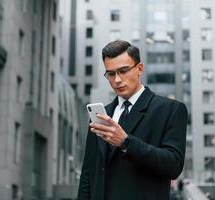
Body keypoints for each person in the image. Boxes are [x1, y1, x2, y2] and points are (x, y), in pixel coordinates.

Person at [77, 40, 188, 200]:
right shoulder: (103, 114)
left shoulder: (170, 110)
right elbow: (88, 172)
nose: (117, 80)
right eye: (111, 73)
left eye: (123, 71)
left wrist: (126, 142)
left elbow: (174, 166)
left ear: (139, 69)